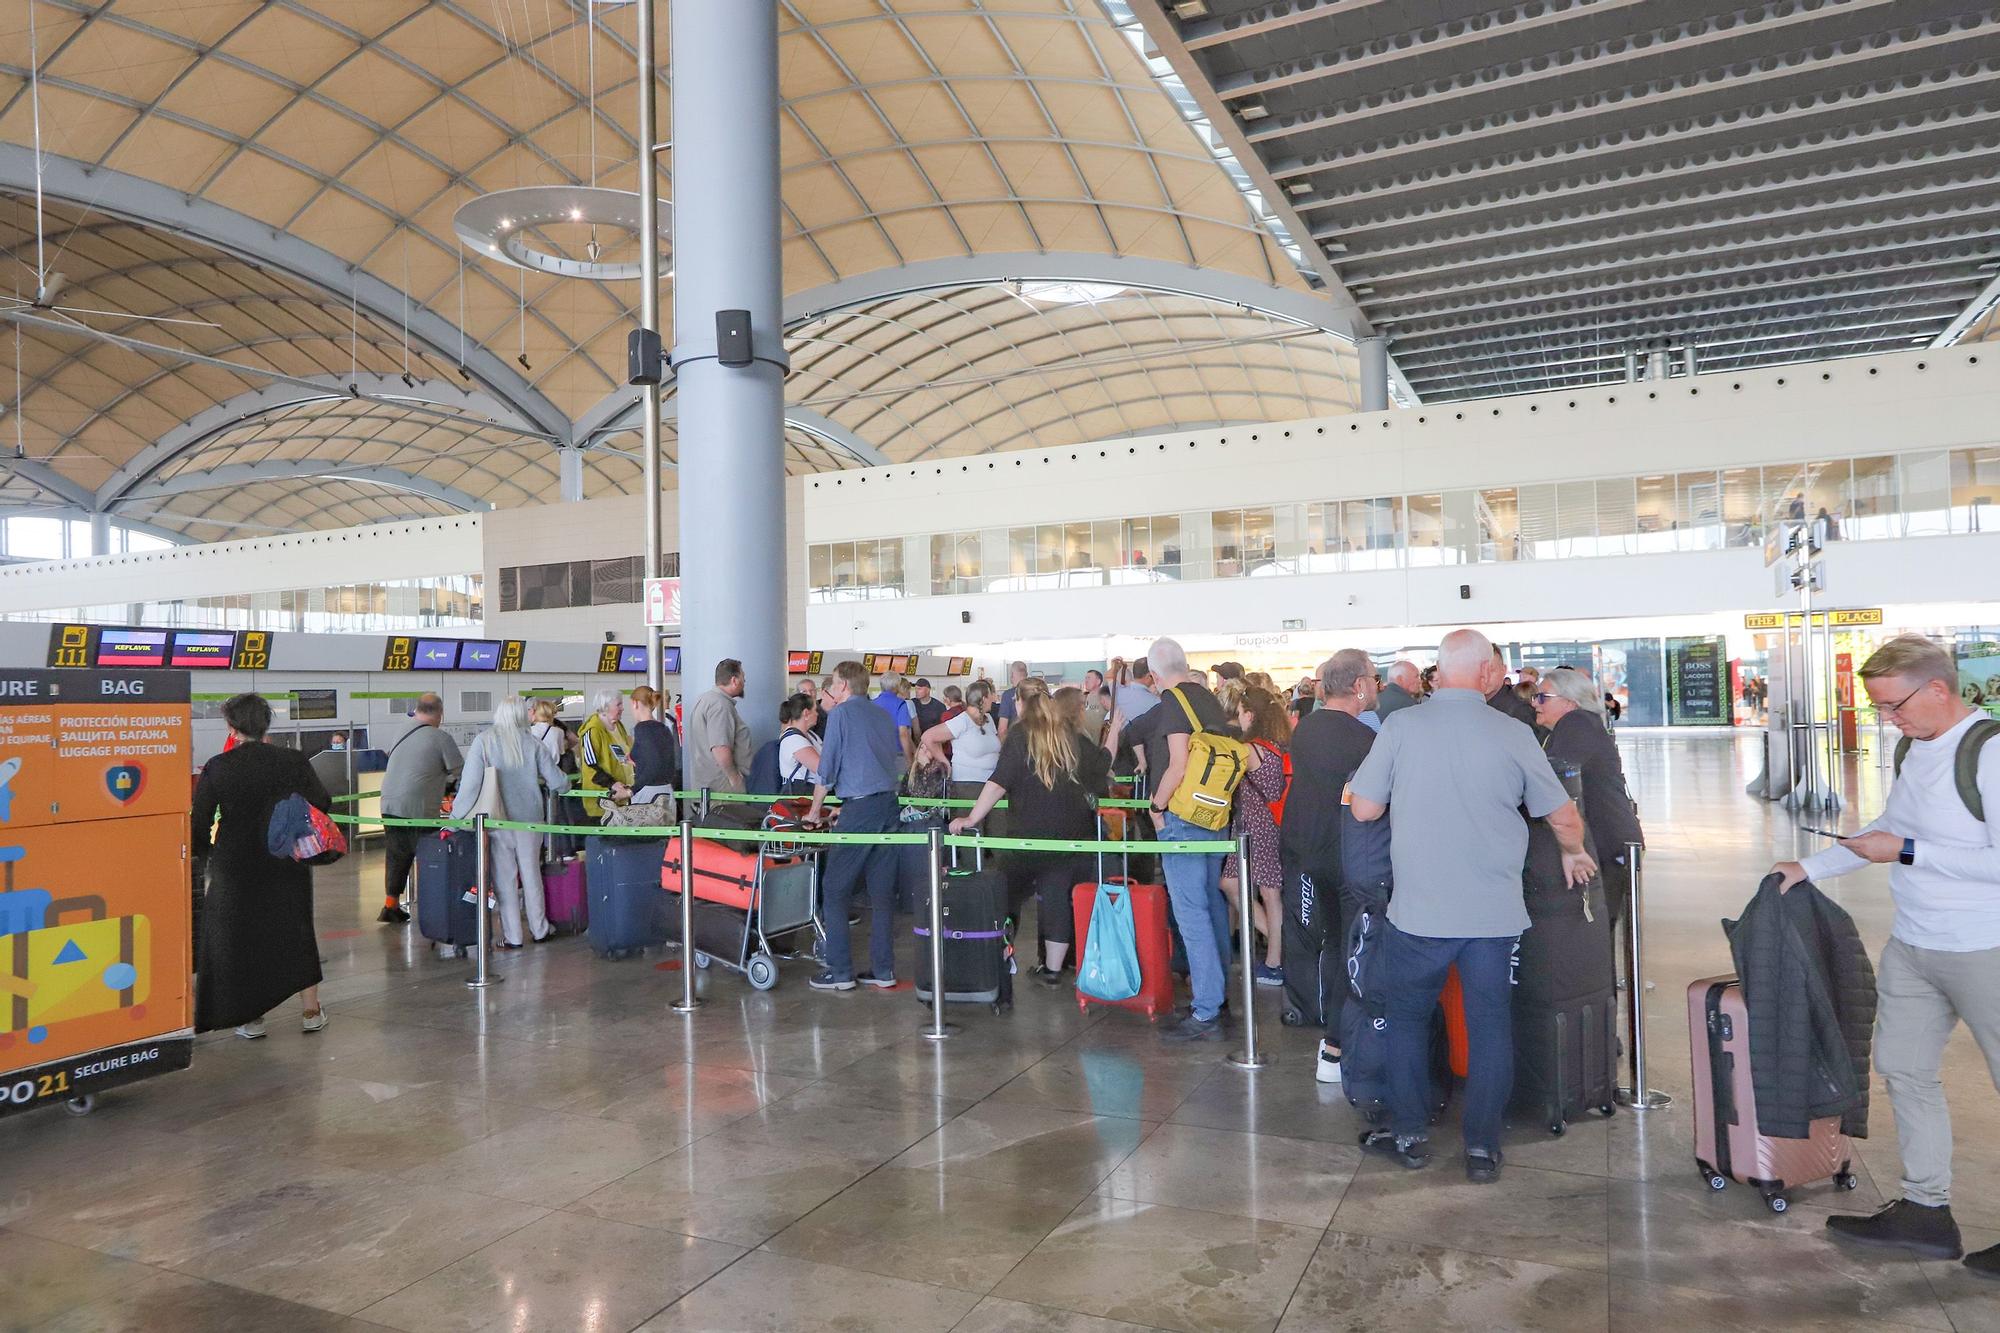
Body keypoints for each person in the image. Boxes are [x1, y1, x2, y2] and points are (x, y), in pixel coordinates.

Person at [1773, 635, 2000, 1275]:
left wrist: (1906, 852)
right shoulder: (1913, 748)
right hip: (1916, 946)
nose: (1887, 720)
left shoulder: (1989, 752)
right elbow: (1883, 833)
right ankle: (1926, 1212)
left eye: (1894, 706)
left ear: (1937, 689)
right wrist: (1807, 869)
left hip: (1987, 947)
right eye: (1879, 709)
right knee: (1904, 1071)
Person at [1348, 628, 1595, 1182]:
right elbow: (1561, 816)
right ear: (1486, 674)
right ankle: (1482, 1148)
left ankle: (1410, 1133)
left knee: (1409, 1021)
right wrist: (1575, 853)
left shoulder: (1401, 727)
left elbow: (1363, 809)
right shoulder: (1514, 733)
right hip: (1494, 916)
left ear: (1438, 673)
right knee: (1489, 1026)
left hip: (1418, 913)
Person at [192, 693, 332, 1038]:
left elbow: (200, 821)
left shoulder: (218, 766)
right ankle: (310, 1011)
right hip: (284, 860)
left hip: (234, 865)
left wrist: (203, 856)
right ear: (267, 724)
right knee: (295, 930)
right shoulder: (293, 761)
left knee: (241, 937)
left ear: (231, 726)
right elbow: (322, 802)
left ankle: (250, 1018)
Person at [950, 684, 1109, 985]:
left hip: (1027, 837)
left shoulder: (1020, 736)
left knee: (1005, 899)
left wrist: (972, 818)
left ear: (1020, 704)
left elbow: (998, 783)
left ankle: (999, 958)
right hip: (1070, 836)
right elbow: (1100, 768)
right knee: (1056, 902)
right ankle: (1052, 970)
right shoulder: (1070, 736)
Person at [1145, 636, 1262, 1042]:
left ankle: (1205, 1008)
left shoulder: (1174, 701)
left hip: (1183, 817)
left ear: (1156, 675)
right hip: (1216, 815)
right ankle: (1219, 997)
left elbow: (1177, 765)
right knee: (1212, 906)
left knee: (1191, 911)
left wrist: (1156, 806)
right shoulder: (1209, 698)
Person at [1282, 650, 1380, 1082]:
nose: (1376, 685)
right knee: (1348, 949)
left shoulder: (1304, 730)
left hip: (1307, 852)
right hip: (1347, 857)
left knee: (1318, 940)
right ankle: (1337, 1047)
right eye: (1374, 678)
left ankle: (1316, 1018)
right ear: (1359, 685)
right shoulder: (1365, 741)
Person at [806, 661, 905, 989]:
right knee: (881, 892)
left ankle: (840, 971)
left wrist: (815, 810)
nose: (831, 690)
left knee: (833, 889)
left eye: (834, 684)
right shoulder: (882, 714)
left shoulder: (840, 715)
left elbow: (828, 768)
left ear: (844, 686)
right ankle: (883, 970)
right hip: (888, 806)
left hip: (860, 810)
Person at [1535, 667, 1646, 927]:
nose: (1535, 703)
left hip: (1605, 844)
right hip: (1605, 842)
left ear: (1570, 702)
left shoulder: (1577, 723)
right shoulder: (1569, 727)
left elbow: (1556, 782)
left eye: (1542, 697)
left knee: (1596, 930)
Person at [450, 701, 566, 947]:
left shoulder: (484, 741)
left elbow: (469, 786)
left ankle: (513, 937)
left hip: (497, 821)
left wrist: (455, 820)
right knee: (532, 874)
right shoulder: (532, 743)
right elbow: (558, 782)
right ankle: (540, 929)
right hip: (531, 822)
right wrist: (565, 784)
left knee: (505, 881)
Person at [1223, 686, 1292, 988]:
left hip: (1258, 827)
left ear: (1250, 715)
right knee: (1255, 890)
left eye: (1239, 714)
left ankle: (1276, 961)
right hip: (1268, 826)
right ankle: (1281, 944)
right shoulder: (1278, 745)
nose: (1238, 720)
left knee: (1266, 894)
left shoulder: (1251, 750)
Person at [378, 693, 463, 924]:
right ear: (440, 714)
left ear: (417, 710)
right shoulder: (440, 738)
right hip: (419, 808)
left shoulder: (402, 729)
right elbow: (461, 771)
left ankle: (390, 905)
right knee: (429, 856)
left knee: (397, 855)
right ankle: (432, 905)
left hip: (389, 804)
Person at [922, 680, 1001, 805]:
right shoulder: (962, 721)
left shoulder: (989, 719)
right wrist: (944, 761)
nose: (994, 698)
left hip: (991, 784)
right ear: (984, 699)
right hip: (968, 786)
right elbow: (928, 737)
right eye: (991, 695)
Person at [687, 658, 753, 794]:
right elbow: (720, 747)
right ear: (734, 680)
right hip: (723, 790)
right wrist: (735, 779)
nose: (744, 682)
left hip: (708, 787)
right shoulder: (720, 705)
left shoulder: (704, 700)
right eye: (743, 678)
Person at [577, 689, 634, 815]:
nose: (622, 708)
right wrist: (612, 784)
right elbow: (590, 765)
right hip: (602, 802)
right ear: (605, 707)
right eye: (618, 705)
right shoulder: (592, 731)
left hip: (622, 798)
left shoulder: (619, 726)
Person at [628, 685, 679, 804]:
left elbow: (650, 768)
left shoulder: (641, 729)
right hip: (667, 792)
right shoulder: (664, 729)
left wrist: (631, 791)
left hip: (648, 794)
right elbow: (659, 759)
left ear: (635, 703)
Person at [777, 694, 823, 790]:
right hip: (801, 794)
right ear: (806, 713)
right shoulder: (793, 740)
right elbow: (821, 769)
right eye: (815, 710)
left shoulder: (812, 735)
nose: (817, 714)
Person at [1487, 647, 1539, 729]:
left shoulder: (1521, 711)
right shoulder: (1468, 706)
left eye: (1491, 670)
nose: (1485, 676)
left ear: (1503, 670)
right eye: (1476, 670)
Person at [875, 671, 916, 772]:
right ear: (897, 686)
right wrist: (910, 761)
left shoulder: (872, 704)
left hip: (876, 756)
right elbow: (903, 734)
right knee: (899, 786)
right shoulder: (901, 705)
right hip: (897, 756)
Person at [995, 660, 1030, 736]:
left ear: (1012, 675)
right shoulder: (1036, 692)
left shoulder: (1008, 695)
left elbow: (1002, 729)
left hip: (1016, 740)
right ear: (1026, 674)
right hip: (1037, 741)